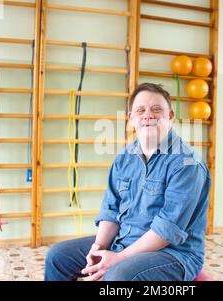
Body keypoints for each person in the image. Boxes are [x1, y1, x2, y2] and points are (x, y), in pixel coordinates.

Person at [44, 83, 211, 281]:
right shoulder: (124, 158)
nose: (148, 115)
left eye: (157, 110)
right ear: (130, 117)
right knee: (57, 256)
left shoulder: (187, 162)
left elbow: (167, 230)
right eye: (140, 110)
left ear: (171, 116)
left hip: (174, 253)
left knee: (117, 276)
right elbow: (111, 211)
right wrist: (98, 248)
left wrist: (118, 258)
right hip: (124, 240)